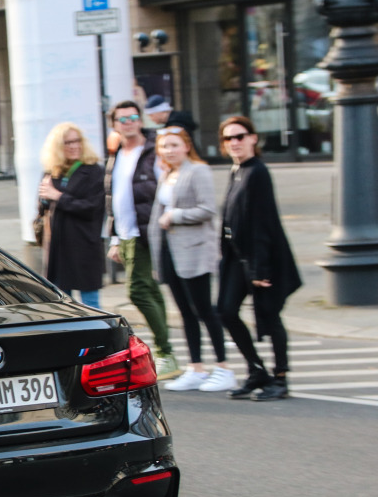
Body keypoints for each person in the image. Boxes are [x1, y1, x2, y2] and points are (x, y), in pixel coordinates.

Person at [216, 115, 301, 401]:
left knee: (270, 315)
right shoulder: (236, 170)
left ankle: (281, 377)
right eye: (228, 138)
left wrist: (261, 268)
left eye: (240, 136)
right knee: (226, 310)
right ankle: (256, 371)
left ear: (253, 138)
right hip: (237, 259)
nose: (234, 143)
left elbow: (264, 223)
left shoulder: (258, 172)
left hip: (261, 259)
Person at [147, 127, 233, 392]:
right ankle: (196, 367)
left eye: (174, 145)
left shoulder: (198, 170)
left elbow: (207, 210)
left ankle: (223, 367)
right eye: (164, 146)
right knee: (185, 312)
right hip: (170, 251)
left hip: (194, 251)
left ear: (186, 146)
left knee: (204, 309)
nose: (168, 151)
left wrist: (175, 216)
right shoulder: (167, 174)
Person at [104, 100, 180, 379]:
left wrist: (168, 217)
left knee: (137, 290)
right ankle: (168, 352)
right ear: (114, 125)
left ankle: (164, 350)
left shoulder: (152, 151)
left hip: (145, 231)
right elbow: (112, 199)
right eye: (122, 119)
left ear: (140, 120)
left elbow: (168, 185)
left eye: (133, 117)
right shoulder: (115, 155)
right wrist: (114, 238)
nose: (128, 122)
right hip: (125, 233)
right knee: (149, 288)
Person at [37, 123, 105, 308]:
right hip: (58, 248)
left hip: (83, 244)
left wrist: (57, 196)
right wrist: (43, 200)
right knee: (63, 305)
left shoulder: (94, 171)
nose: (74, 146)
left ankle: (97, 336)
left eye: (77, 141)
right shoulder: (52, 171)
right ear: (58, 147)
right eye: (67, 142)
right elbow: (42, 209)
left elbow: (92, 207)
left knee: (91, 303)